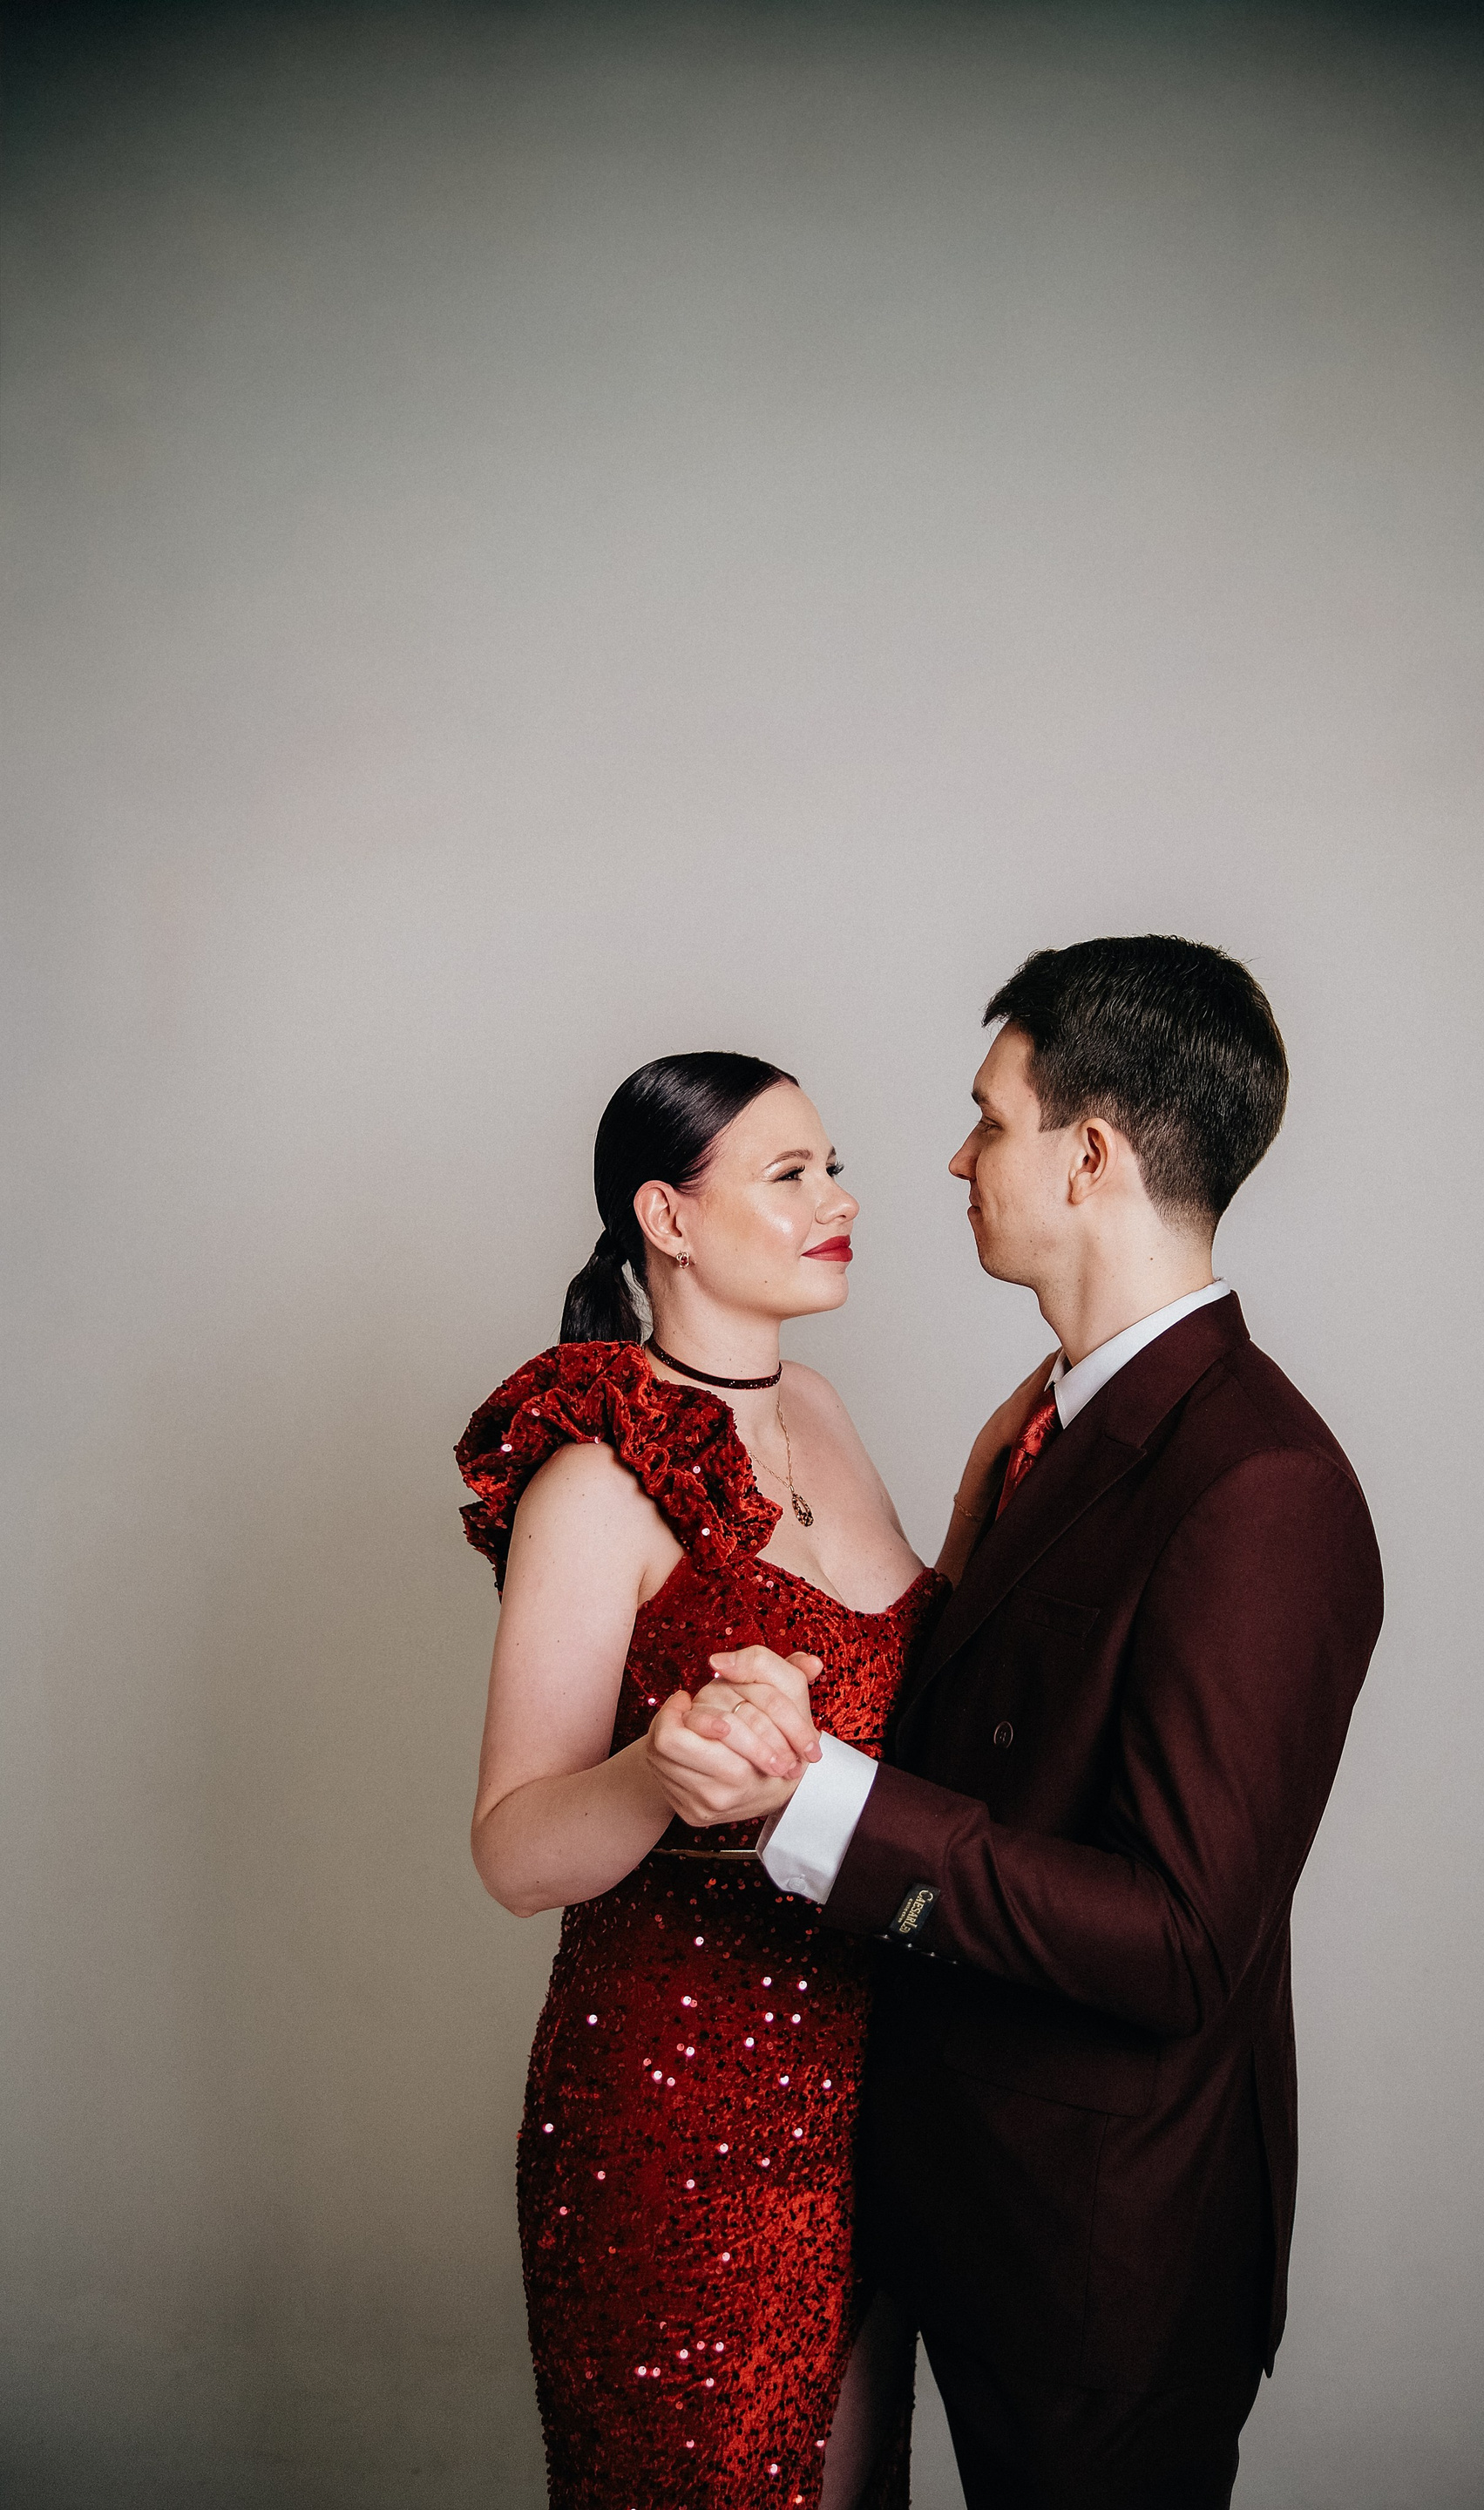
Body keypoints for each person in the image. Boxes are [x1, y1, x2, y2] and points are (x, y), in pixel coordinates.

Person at [669, 939, 1386, 2510]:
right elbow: (1011, 1735)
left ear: (1091, 1155)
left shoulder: (1261, 1484)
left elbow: (1182, 1941)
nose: (954, 1159)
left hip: (1100, 2256)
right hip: (953, 2197)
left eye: (989, 1120)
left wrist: (826, 1808)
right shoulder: (1056, 1422)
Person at [455, 1051, 1030, 2510]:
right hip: (681, 2107)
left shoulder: (817, 1408)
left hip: (872, 2089)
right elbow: (512, 1850)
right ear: (668, 1216)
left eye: (834, 1168)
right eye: (792, 1175)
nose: (841, 1201)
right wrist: (656, 1771)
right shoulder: (598, 1477)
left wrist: (991, 1496)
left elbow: (902, 1689)